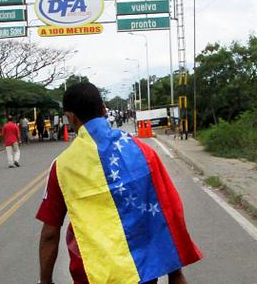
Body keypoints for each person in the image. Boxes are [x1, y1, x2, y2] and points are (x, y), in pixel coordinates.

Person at [36, 83, 202, 284]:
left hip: (92, 274)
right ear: (104, 109)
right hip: (142, 270)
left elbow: (50, 234)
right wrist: (175, 272)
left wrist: (45, 281)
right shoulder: (142, 151)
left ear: (71, 117)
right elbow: (167, 208)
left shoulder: (62, 167)